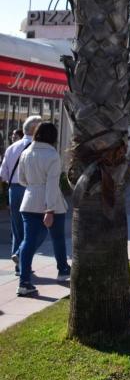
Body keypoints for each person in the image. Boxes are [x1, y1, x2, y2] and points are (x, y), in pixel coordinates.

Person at [17, 121, 70, 296]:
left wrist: (34, 187)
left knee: (28, 241)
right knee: (58, 238)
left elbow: (22, 180)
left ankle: (24, 281)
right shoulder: (52, 155)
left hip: (29, 201)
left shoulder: (26, 153)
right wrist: (49, 209)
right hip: (51, 204)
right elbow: (52, 184)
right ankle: (63, 270)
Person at [0, 115, 42, 275]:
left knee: (17, 228)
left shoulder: (12, 148)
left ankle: (19, 265)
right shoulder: (38, 147)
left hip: (14, 190)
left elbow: (3, 174)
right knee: (34, 228)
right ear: (35, 129)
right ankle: (22, 260)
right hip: (31, 190)